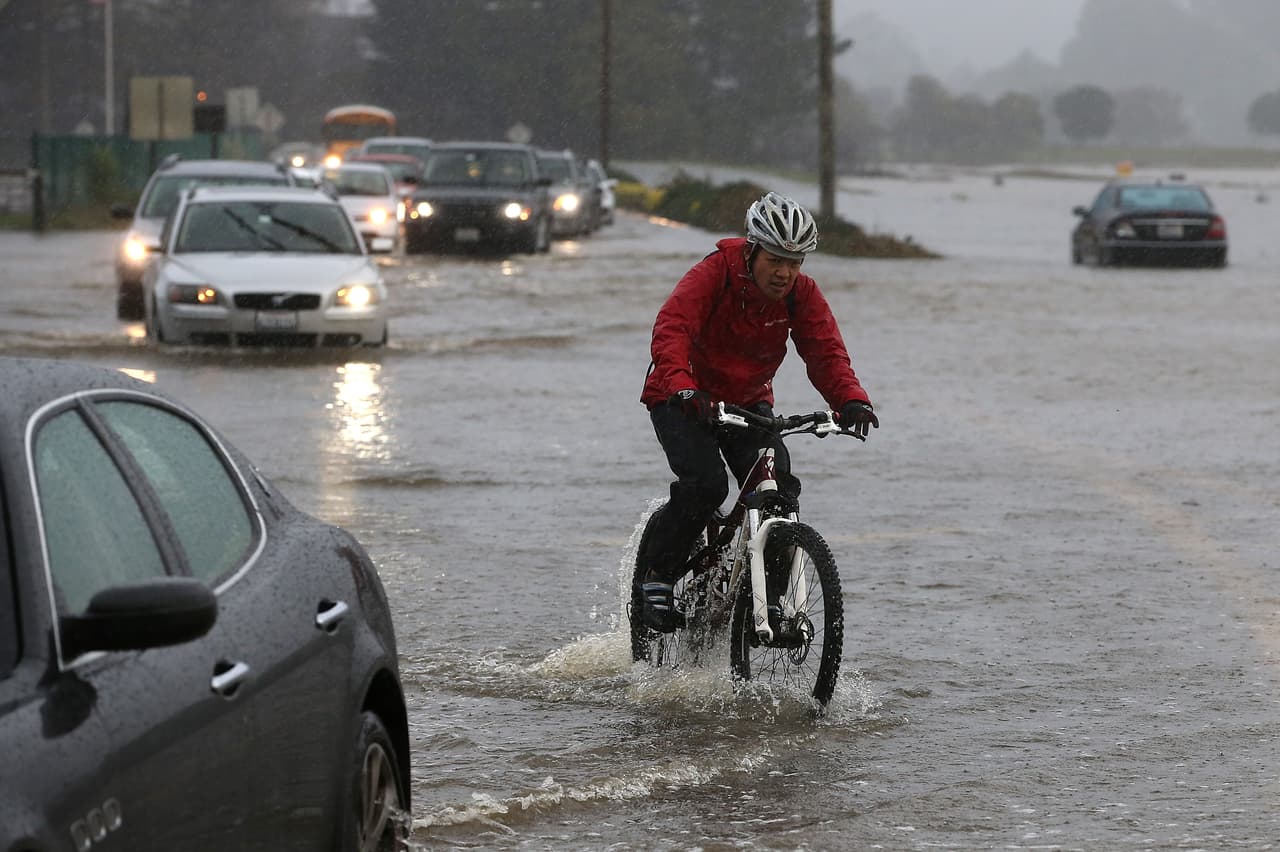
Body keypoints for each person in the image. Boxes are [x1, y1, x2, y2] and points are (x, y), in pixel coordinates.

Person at [638, 191, 878, 631]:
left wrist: (850, 399)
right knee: (706, 485)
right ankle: (659, 577)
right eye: (775, 260)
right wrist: (684, 388)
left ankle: (763, 604)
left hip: (748, 403)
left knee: (779, 492)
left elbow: (826, 352)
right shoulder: (714, 275)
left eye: (795, 261)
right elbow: (671, 329)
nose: (785, 272)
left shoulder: (800, 294)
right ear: (752, 251)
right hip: (683, 395)